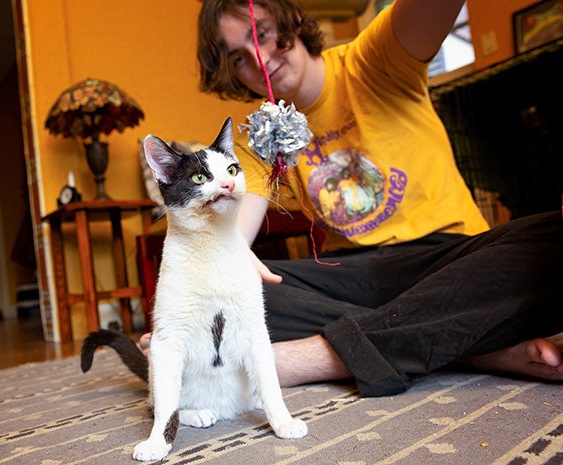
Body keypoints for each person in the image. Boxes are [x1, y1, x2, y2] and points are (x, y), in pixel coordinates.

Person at [142, 0, 563, 397]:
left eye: (263, 33)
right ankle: (470, 347)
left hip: (447, 259)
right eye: (237, 58)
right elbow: (234, 239)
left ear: (291, 22)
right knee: (238, 288)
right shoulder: (260, 139)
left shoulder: (375, 58)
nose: (258, 58)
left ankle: (319, 357)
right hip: (352, 276)